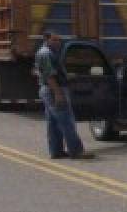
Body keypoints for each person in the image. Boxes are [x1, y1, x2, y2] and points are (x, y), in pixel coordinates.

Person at [36, 30, 91, 160]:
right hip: (53, 90)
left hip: (50, 89)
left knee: (53, 123)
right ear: (46, 40)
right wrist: (58, 93)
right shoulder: (46, 53)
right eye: (54, 40)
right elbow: (49, 76)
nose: (58, 42)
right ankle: (76, 151)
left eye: (59, 40)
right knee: (66, 121)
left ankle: (56, 151)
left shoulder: (49, 53)